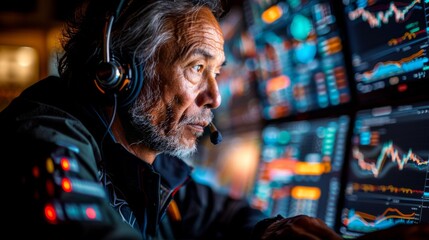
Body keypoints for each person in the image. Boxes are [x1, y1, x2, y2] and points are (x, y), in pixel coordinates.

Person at [0, 0, 427, 239]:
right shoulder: (42, 141)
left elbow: (220, 215)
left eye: (218, 71)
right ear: (122, 73)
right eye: (197, 68)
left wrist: (273, 235)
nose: (215, 96)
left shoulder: (153, 166)